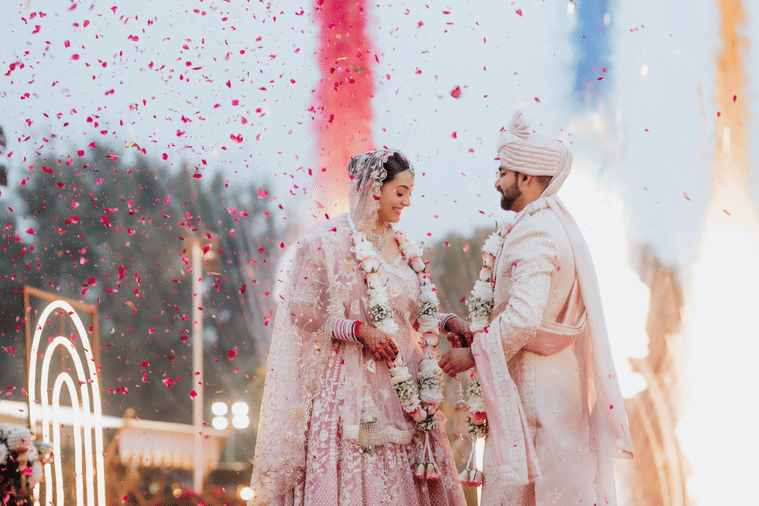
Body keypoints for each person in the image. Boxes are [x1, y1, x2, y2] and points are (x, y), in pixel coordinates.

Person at [250, 149, 467, 506]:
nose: (408, 202)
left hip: (405, 390)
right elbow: (299, 311)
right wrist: (357, 331)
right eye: (401, 192)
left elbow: (413, 316)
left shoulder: (404, 247)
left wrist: (447, 322)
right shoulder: (326, 240)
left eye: (410, 192)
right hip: (349, 390)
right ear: (375, 189)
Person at [439, 110, 633, 506]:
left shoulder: (534, 233)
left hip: (536, 400)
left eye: (503, 172)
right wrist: (474, 331)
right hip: (553, 392)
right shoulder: (551, 224)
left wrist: (472, 355)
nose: (497, 181)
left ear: (525, 178)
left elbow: (524, 318)